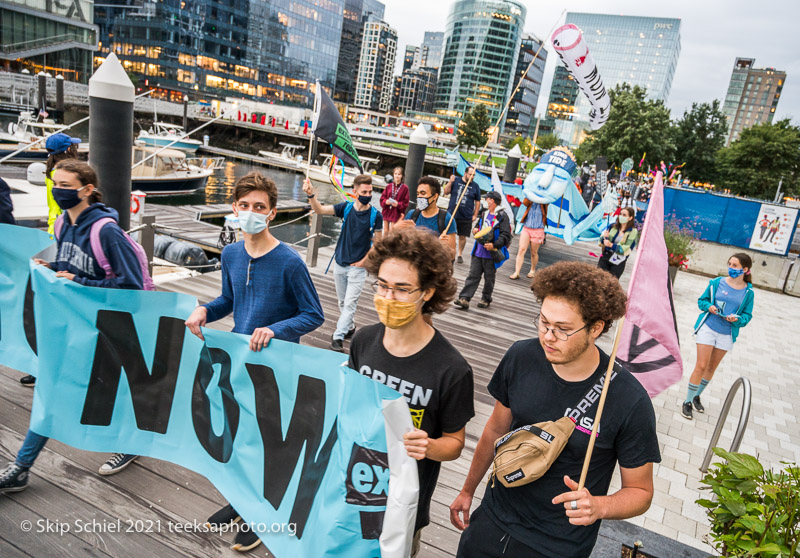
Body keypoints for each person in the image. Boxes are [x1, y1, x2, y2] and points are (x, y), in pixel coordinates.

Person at [450, 262, 661, 558]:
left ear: (596, 328)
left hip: (556, 547)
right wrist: (468, 490)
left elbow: (641, 493)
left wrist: (599, 506)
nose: (548, 336)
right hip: (491, 522)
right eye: (544, 322)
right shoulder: (521, 356)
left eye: (562, 329)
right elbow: (496, 430)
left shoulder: (630, 400)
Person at [185, 172, 324, 551]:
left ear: (272, 214)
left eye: (258, 207)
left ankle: (259, 515)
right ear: (234, 209)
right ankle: (240, 502)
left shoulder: (289, 262)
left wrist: (276, 329)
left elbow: (314, 314)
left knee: (269, 442)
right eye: (244, 206)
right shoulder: (230, 253)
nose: (250, 212)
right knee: (241, 436)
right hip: (239, 361)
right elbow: (228, 301)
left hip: (277, 367)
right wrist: (203, 312)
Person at [0, 160, 146, 495]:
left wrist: (76, 279)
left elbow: (132, 288)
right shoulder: (64, 225)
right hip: (75, 326)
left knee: (113, 392)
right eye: (56, 183)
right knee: (51, 392)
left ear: (87, 189)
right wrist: (52, 267)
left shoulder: (106, 231)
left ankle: (133, 442)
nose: (58, 190)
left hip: (107, 328)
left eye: (66, 185)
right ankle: (21, 467)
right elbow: (70, 266)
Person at [349, 227, 474, 556]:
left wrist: (429, 446)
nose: (388, 298)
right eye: (383, 286)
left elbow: (454, 444)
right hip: (352, 489)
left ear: (428, 292)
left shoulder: (452, 369)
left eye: (403, 289)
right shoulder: (363, 340)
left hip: (402, 507)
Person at [302, 174, 382, 352]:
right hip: (340, 264)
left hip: (358, 269)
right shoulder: (345, 208)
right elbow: (320, 210)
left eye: (370, 191)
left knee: (350, 304)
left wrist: (363, 262)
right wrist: (311, 195)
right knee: (342, 302)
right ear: (354, 192)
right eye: (364, 191)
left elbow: (378, 243)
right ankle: (350, 326)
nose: (368, 194)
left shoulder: (376, 215)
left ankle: (337, 337)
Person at [682, 253, 754, 420]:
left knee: (711, 368)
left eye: (735, 265)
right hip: (708, 327)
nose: (731, 268)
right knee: (701, 365)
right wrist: (709, 307)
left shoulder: (749, 292)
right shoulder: (716, 283)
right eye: (730, 264)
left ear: (745, 269)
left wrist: (737, 319)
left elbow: (747, 316)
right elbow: (702, 301)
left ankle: (696, 396)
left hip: (727, 333)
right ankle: (687, 401)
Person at [454, 191, 511, 310]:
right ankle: (464, 298)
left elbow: (506, 235)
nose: (486, 201)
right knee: (473, 275)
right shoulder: (484, 213)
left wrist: (494, 244)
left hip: (491, 253)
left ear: (492, 201)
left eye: (488, 199)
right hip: (478, 250)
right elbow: (478, 226)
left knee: (489, 278)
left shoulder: (502, 216)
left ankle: (486, 298)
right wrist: (475, 229)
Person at [396, 176, 457, 257]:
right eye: (418, 194)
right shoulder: (412, 215)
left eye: (423, 193)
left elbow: (452, 254)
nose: (419, 197)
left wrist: (443, 247)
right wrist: (396, 229)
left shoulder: (446, 219)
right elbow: (400, 245)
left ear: (435, 196)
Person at [44, 132, 81, 235]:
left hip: (54, 226)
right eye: (74, 147)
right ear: (69, 149)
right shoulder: (66, 175)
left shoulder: (51, 172)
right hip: (64, 229)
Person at [445, 166, 482, 263]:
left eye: (473, 175)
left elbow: (477, 201)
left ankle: (460, 253)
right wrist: (450, 182)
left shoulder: (475, 186)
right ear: (465, 173)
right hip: (452, 213)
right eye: (470, 174)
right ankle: (448, 252)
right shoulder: (456, 181)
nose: (472, 177)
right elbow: (445, 192)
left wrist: (475, 215)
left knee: (462, 236)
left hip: (466, 215)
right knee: (448, 234)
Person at [597, 207, 638, 280]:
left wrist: (611, 245)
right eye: (620, 214)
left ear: (630, 218)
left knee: (611, 283)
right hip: (605, 257)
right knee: (599, 280)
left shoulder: (633, 231)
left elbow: (626, 248)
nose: (621, 216)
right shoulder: (612, 226)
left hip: (619, 260)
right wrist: (604, 238)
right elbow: (601, 241)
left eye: (624, 215)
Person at [510, 200, 547, 280]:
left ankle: (532, 270)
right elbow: (524, 203)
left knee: (534, 252)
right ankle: (517, 272)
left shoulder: (544, 202)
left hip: (538, 229)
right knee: (521, 250)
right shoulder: (529, 199)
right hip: (526, 228)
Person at [379, 166, 409, 232]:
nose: (397, 176)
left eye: (399, 174)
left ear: (402, 176)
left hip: (396, 212)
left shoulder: (405, 188)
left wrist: (398, 204)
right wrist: (385, 202)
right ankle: (384, 242)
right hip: (387, 210)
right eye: (395, 174)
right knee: (385, 230)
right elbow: (382, 198)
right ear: (393, 174)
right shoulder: (389, 186)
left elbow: (406, 202)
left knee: (392, 231)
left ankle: (391, 242)